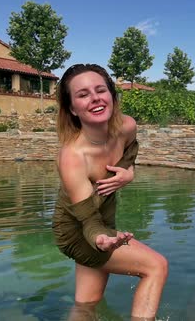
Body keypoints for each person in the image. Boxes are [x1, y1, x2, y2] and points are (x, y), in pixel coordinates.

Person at [52, 63, 168, 321]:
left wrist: (129, 172)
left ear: (112, 96)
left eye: (100, 90)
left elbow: (131, 153)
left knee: (87, 304)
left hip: (104, 224)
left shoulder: (127, 127)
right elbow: (87, 220)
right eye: (82, 94)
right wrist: (100, 239)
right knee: (156, 266)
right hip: (77, 231)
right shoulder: (72, 156)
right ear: (72, 108)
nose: (95, 98)